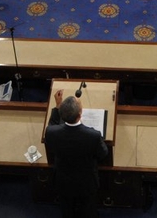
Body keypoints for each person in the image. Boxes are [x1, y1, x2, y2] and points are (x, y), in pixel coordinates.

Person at [44, 90, 109, 218]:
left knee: (66, 208)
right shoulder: (93, 136)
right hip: (86, 181)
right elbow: (103, 154)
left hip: (63, 180)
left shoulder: (51, 132)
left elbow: (52, 126)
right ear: (80, 115)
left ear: (62, 116)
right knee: (88, 208)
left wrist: (57, 106)